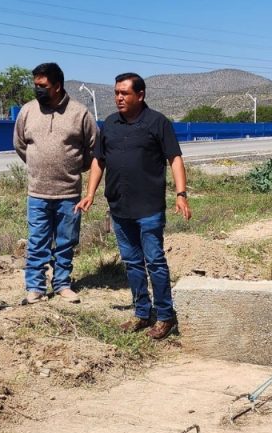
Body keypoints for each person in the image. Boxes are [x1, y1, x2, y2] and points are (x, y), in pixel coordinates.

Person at [79, 72, 191, 340]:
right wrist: (90, 193)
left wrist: (181, 194)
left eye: (124, 93)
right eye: (116, 92)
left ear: (140, 95)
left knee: (154, 262)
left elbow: (174, 158)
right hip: (119, 208)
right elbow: (99, 161)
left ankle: (165, 316)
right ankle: (142, 313)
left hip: (149, 209)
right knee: (132, 263)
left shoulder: (157, 122)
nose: (119, 97)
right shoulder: (110, 124)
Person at [13, 62, 99, 305]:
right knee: (37, 242)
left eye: (43, 86)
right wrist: (37, 164)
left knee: (65, 242)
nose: (37, 90)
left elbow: (95, 148)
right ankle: (35, 287)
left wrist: (76, 167)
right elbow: (20, 145)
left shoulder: (79, 113)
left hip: (69, 194)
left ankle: (62, 284)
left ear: (58, 86)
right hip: (38, 193)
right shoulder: (27, 111)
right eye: (35, 85)